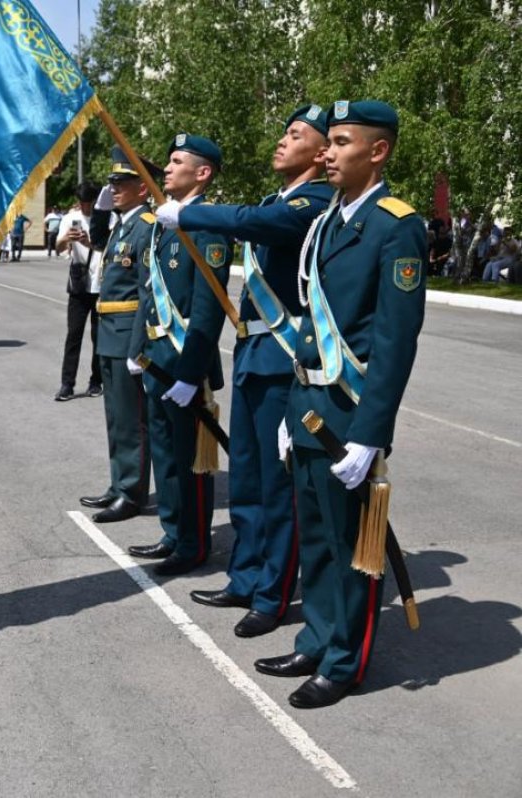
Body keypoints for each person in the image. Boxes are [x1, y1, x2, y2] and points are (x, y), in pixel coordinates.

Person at [257, 100, 427, 709]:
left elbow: (395, 340)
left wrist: (371, 432)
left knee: (351, 546)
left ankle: (344, 662)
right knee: (316, 540)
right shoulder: (329, 219)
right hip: (309, 406)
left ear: (378, 152)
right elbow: (311, 326)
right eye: (326, 142)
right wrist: (290, 411)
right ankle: (317, 639)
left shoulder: (395, 225)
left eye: (341, 142)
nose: (327, 153)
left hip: (350, 415)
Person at [157, 104, 333, 637]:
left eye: (296, 135)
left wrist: (190, 215)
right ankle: (246, 575)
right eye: (284, 132)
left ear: (321, 152)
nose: (282, 141)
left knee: (279, 489)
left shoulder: (314, 202)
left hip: (284, 359)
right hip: (255, 356)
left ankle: (272, 594)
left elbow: (258, 225)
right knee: (250, 482)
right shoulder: (274, 201)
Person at [127, 134, 233, 576]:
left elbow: (208, 306)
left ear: (202, 173)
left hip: (185, 362)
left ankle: (193, 543)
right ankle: (173, 532)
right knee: (165, 454)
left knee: (191, 460)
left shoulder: (207, 225)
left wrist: (191, 373)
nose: (167, 169)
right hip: (157, 357)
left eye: (176, 162)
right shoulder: (163, 222)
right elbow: (148, 294)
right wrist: (138, 349)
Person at [80, 150, 161, 524]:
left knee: (131, 419)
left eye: (121, 183)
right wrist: (100, 210)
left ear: (142, 188)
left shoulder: (146, 226)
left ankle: (132, 492)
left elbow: (146, 291)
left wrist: (138, 346)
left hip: (128, 333)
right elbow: (97, 239)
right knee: (115, 417)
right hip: (109, 331)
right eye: (111, 183)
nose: (113, 189)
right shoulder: (122, 225)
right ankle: (119, 483)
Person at [54, 184, 104, 401]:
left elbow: (110, 249)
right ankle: (67, 384)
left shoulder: (107, 218)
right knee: (73, 335)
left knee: (98, 337)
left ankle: (96, 381)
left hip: (101, 285)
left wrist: (88, 243)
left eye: (88, 203)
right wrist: (66, 239)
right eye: (82, 203)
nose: (85, 207)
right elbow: (58, 248)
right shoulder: (70, 218)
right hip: (79, 284)